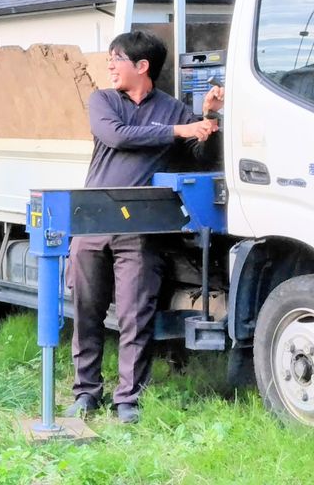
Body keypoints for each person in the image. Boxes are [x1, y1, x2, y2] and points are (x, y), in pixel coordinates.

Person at [64, 31, 224, 424]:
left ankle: (127, 401)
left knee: (136, 316)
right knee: (86, 313)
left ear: (142, 66)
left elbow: (201, 159)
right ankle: (86, 394)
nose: (110, 66)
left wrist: (209, 118)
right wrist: (180, 130)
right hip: (92, 221)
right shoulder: (103, 101)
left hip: (141, 228)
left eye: (116, 59)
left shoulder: (174, 109)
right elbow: (116, 136)